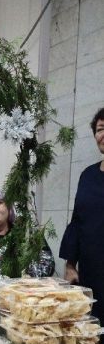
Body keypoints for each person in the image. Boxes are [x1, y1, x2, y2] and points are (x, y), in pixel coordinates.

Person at [60, 108, 104, 326]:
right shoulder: (88, 175)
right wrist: (70, 265)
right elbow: (77, 221)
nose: (103, 134)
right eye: (100, 129)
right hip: (91, 273)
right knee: (91, 333)